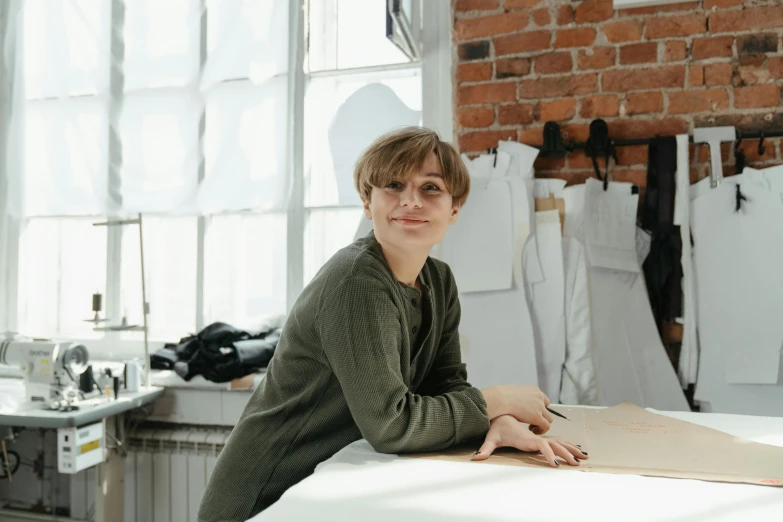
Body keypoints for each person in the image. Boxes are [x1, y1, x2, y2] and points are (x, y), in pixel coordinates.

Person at [198, 127, 587, 522]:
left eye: (431, 188)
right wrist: (497, 400)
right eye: (393, 185)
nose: (411, 201)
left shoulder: (439, 280)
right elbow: (391, 424)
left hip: (327, 492)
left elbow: (445, 383)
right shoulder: (356, 282)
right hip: (264, 499)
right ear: (368, 203)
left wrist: (499, 421)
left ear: (454, 209)